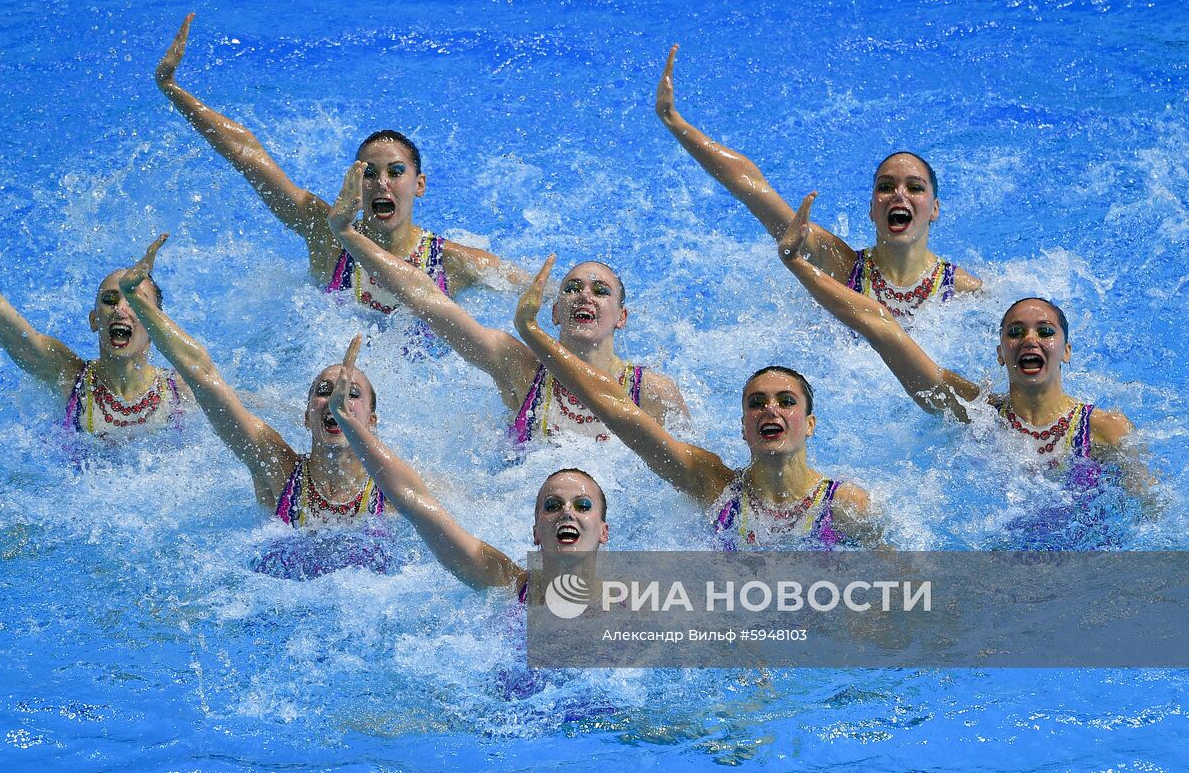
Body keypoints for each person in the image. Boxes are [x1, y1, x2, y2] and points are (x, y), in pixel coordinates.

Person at [775, 192, 1156, 541]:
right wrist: (797, 264)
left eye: (1045, 331)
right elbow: (883, 327)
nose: (1030, 340)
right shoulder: (977, 413)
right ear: (1000, 353)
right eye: (1015, 332)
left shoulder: (1105, 429)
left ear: (1066, 351)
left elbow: (1151, 514)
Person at [154, 14, 529, 313]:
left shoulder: (453, 263)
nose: (382, 182)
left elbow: (538, 292)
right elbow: (247, 154)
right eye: (369, 172)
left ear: (420, 184)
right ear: (354, 180)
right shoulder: (325, 233)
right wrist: (172, 88)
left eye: (396, 172)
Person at [513, 256, 879, 549]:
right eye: (756, 403)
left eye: (786, 401)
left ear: (810, 424)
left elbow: (901, 582)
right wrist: (532, 332)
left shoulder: (845, 507)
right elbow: (616, 409)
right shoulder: (715, 488)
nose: (771, 410)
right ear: (743, 427)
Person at [321, 161, 690, 445]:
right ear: (555, 312)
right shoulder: (521, 370)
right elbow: (427, 298)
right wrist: (346, 233)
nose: (585, 295)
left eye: (601, 291)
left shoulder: (654, 393)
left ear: (622, 317)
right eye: (572, 288)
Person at [114, 238, 397, 575]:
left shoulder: (392, 490)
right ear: (307, 416)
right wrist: (137, 301)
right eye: (325, 391)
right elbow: (204, 375)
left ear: (372, 420)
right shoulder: (277, 471)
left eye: (351, 394)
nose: (336, 401)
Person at [655, 45, 981, 319]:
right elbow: (750, 187)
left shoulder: (962, 291)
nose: (899, 195)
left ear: (935, 209)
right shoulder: (840, 266)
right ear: (871, 209)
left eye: (915, 187)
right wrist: (673, 120)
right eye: (885, 186)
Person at [0, 176, 189, 438]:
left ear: (156, 324)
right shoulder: (68, 376)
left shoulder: (183, 392)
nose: (119, 309)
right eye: (109, 300)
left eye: (135, 300)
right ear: (94, 319)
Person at [323, 337, 606, 603]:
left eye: (582, 505)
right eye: (553, 505)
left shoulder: (628, 606)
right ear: (535, 531)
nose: (567, 512)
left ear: (604, 532)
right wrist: (347, 421)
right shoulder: (508, 585)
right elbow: (411, 499)